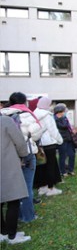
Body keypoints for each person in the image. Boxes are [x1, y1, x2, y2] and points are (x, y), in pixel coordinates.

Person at [0, 92, 44, 223]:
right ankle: (27, 216)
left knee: (12, 188)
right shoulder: (27, 114)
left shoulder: (3, 114)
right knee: (26, 187)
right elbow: (36, 134)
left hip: (7, 155)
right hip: (26, 153)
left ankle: (15, 216)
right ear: (24, 102)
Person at [0, 115, 32, 244]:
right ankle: (12, 236)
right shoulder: (5, 121)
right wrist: (24, 155)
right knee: (13, 199)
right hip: (7, 163)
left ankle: (3, 232)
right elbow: (19, 141)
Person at [33, 97, 64, 196]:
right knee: (51, 166)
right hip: (49, 144)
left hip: (39, 144)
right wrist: (60, 140)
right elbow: (53, 131)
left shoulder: (34, 114)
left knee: (41, 166)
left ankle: (42, 188)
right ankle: (51, 188)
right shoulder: (47, 115)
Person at [54, 103, 76, 177]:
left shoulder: (64, 117)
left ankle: (71, 170)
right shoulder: (55, 119)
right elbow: (63, 126)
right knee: (62, 156)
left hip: (68, 138)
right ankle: (63, 171)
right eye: (64, 109)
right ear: (60, 111)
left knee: (72, 154)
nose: (65, 111)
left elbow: (68, 126)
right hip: (61, 140)